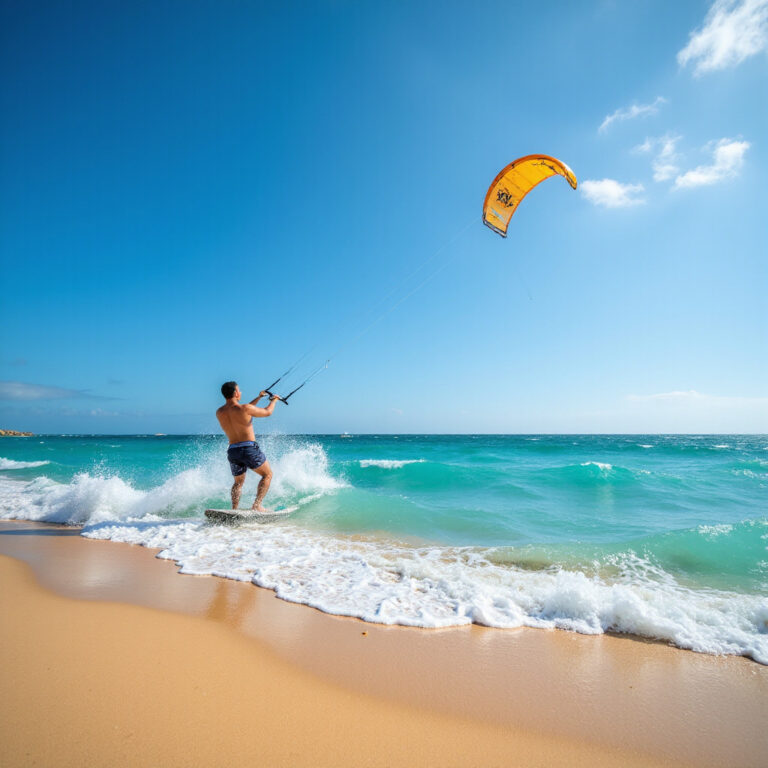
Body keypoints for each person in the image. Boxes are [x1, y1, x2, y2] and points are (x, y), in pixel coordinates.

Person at [216, 381, 279, 511]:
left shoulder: (220, 412)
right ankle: (257, 506)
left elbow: (242, 411)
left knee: (238, 482)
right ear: (235, 393)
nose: (241, 392)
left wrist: (259, 397)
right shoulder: (245, 409)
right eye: (239, 390)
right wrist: (274, 401)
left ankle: (234, 509)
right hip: (248, 449)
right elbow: (267, 412)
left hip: (233, 451)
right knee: (267, 475)